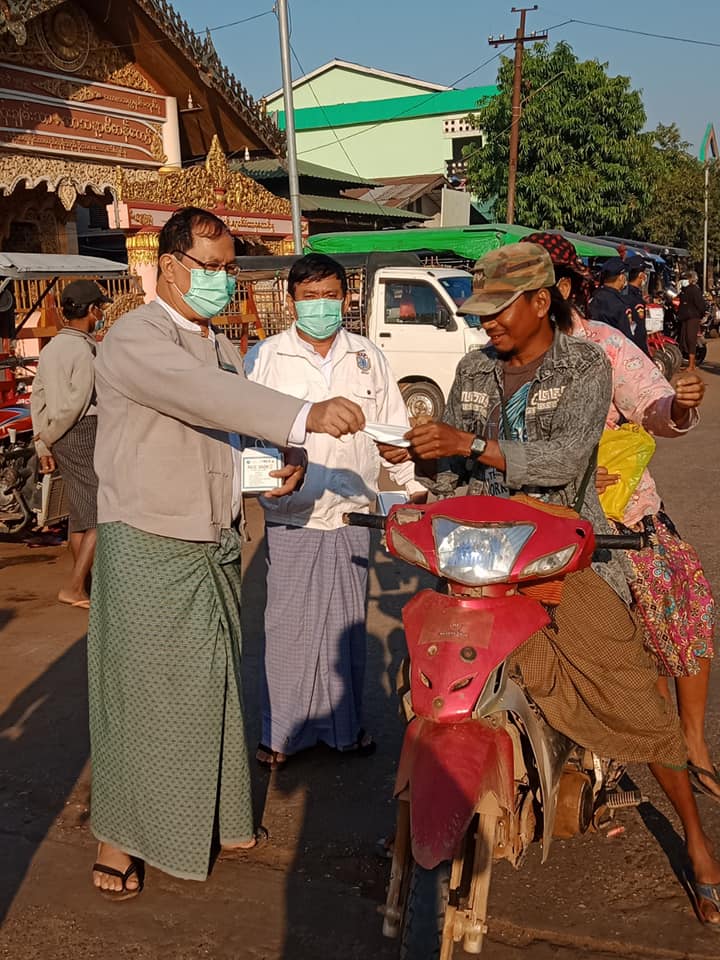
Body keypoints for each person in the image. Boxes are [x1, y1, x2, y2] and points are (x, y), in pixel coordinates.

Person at [404, 243, 720, 927]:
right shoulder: (471, 369)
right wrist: (423, 465)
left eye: (496, 310)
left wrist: (468, 447)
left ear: (541, 301)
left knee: (633, 696)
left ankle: (696, 841)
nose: (485, 324)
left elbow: (565, 458)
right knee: (427, 679)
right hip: (480, 557)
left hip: (565, 553)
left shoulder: (587, 364)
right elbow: (454, 478)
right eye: (479, 312)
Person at [88, 208, 366, 899]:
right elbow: (202, 396)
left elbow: (228, 417)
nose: (219, 279)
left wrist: (282, 455)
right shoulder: (136, 336)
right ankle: (117, 838)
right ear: (171, 265)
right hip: (149, 536)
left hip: (211, 535)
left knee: (215, 688)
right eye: (208, 266)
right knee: (143, 697)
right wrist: (302, 416)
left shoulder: (212, 342)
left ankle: (225, 819)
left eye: (227, 266)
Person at [522, 231, 719, 804]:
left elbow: (656, 408)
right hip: (541, 525)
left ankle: (692, 745)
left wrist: (679, 404)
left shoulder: (603, 346)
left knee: (684, 625)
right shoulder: (503, 356)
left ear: (558, 289)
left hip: (624, 519)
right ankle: (610, 754)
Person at [245, 253, 425, 768]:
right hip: (293, 512)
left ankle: (344, 732)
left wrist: (409, 488)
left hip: (351, 509)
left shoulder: (367, 355)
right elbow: (251, 433)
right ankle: (280, 736)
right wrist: (260, 485)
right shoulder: (265, 358)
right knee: (288, 627)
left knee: (345, 624)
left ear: (346, 299)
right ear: (291, 301)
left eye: (329, 295)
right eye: (309, 297)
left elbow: (391, 428)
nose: (320, 305)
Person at [31, 279, 108, 609]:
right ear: (92, 311)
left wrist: (42, 441)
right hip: (81, 431)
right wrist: (47, 437)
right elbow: (76, 402)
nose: (101, 315)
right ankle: (76, 586)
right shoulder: (84, 350)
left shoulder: (50, 349)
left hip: (60, 435)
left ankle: (87, 587)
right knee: (101, 513)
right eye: (100, 309)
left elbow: (38, 398)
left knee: (80, 515)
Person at [589, 257, 637, 346]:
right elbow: (627, 340)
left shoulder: (593, 296)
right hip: (613, 351)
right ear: (621, 277)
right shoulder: (620, 304)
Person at [678, 270, 705, 371]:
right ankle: (688, 363)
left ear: (691, 279)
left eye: (686, 278)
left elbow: (700, 305)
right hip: (685, 318)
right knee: (684, 340)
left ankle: (691, 365)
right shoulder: (685, 290)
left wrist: (701, 315)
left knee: (691, 340)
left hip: (693, 318)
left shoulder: (694, 290)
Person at [623, 254, 650, 355]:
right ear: (640, 275)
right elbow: (638, 329)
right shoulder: (633, 298)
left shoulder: (627, 293)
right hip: (635, 348)